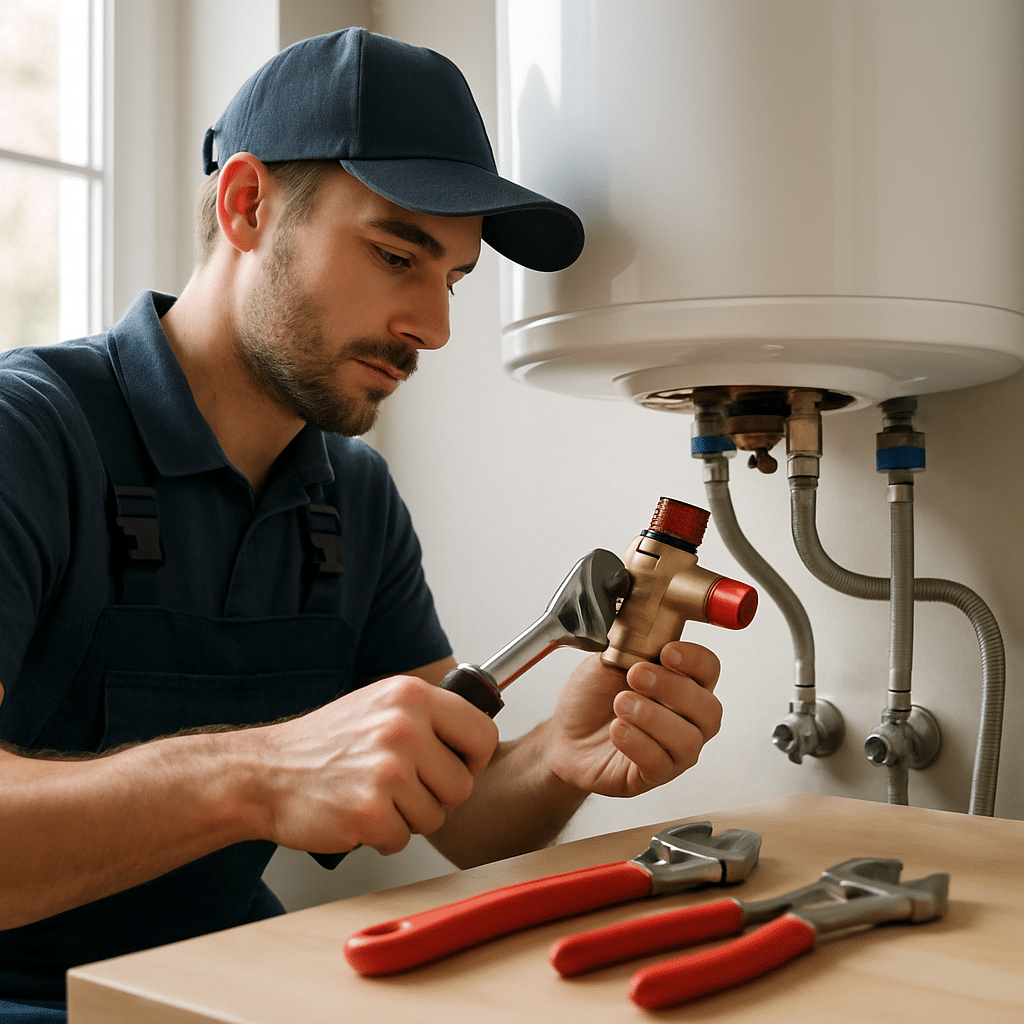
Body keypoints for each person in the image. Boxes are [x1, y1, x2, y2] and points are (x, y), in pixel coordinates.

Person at [0, 28, 722, 1020]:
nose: (434, 325)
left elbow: (463, 816)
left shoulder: (352, 496)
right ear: (246, 203)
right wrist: (259, 773)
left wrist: (559, 755)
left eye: (454, 279)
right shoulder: (27, 437)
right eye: (396, 254)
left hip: (227, 988)